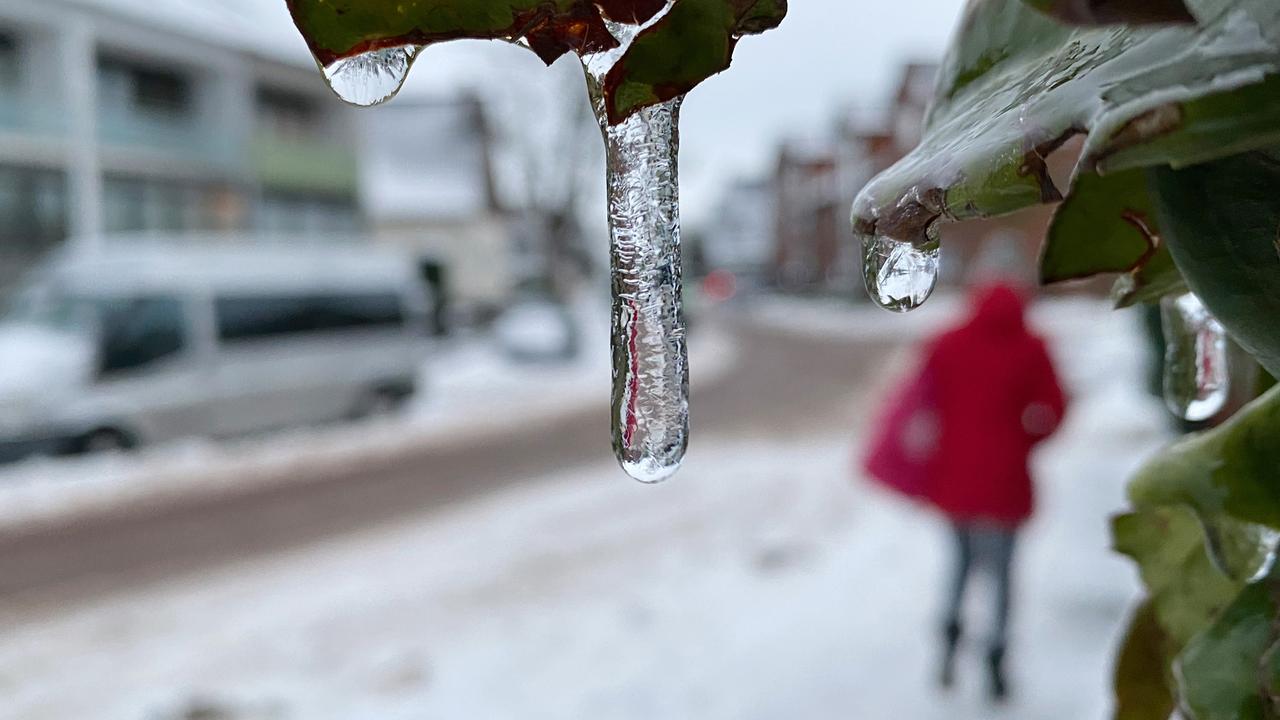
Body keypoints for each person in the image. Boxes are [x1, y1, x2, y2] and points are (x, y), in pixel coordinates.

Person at [919, 281, 1067, 701]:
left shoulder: (946, 343)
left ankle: (948, 646)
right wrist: (1026, 440)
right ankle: (996, 663)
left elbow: (923, 399)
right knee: (1001, 577)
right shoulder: (1032, 347)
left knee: (960, 566)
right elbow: (1055, 409)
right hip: (1005, 482)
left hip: (954, 481)